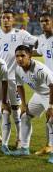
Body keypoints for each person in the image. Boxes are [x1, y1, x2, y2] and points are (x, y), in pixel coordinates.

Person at [0, 10, 37, 147]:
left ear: (13, 20)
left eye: (8, 17)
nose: (5, 20)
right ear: (0, 19)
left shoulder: (21, 34)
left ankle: (19, 138)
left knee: (16, 110)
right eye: (3, 17)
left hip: (14, 79)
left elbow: (37, 41)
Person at [11, 45, 53, 164]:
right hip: (39, 95)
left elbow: (52, 86)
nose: (19, 59)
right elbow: (19, 85)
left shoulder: (40, 69)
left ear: (30, 56)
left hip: (51, 94)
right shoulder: (18, 69)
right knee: (24, 116)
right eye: (17, 56)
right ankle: (24, 148)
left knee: (51, 121)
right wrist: (23, 104)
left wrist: (50, 107)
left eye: (22, 56)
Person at [34, 12, 53, 155]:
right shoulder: (41, 39)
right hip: (48, 82)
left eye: (46, 20)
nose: (44, 23)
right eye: (41, 21)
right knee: (49, 116)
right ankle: (49, 145)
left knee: (50, 116)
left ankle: (50, 145)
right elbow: (39, 52)